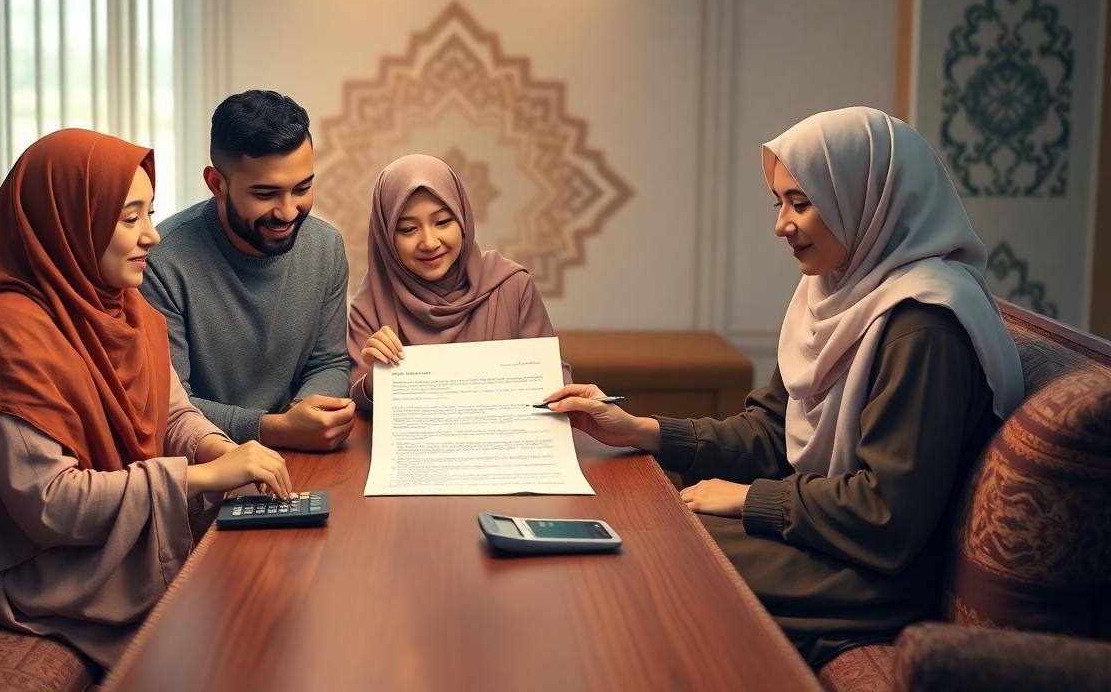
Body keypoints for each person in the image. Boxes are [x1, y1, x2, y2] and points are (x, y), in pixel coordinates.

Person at [543, 106, 1023, 666]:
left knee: (651, 552)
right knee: (639, 535)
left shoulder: (923, 326)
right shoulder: (836, 296)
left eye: (801, 203)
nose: (782, 225)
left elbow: (887, 515)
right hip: (829, 541)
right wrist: (640, 429)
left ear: (864, 196)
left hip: (872, 576)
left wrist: (751, 499)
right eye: (780, 204)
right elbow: (774, 433)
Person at [0, 129, 292, 669]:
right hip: (64, 573)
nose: (153, 236)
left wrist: (218, 450)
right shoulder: (3, 337)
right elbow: (52, 505)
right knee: (257, 631)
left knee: (291, 586)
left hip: (128, 537)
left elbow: (172, 413)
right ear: (70, 222)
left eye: (151, 214)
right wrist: (203, 478)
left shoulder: (121, 308)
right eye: (130, 219)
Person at [141, 90, 354, 451]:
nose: (288, 212)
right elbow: (169, 406)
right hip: (207, 466)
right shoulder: (160, 262)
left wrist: (307, 413)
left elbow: (329, 362)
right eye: (266, 194)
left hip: (301, 455)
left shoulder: (326, 247)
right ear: (216, 184)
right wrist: (274, 429)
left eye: (302, 188)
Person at [348, 154, 568, 411]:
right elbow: (358, 403)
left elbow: (552, 381)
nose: (429, 242)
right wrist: (375, 382)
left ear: (463, 219)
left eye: (442, 222)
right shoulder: (370, 303)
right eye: (408, 229)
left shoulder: (512, 286)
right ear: (385, 236)